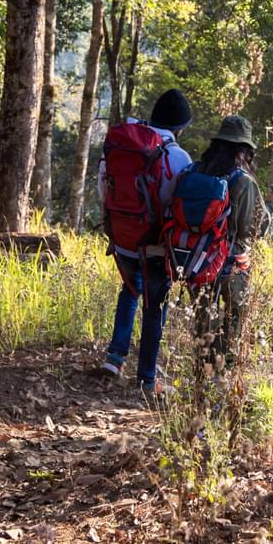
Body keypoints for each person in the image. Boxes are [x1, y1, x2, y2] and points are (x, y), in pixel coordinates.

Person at [95, 89, 193, 396]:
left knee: (130, 290)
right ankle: (147, 379)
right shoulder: (178, 157)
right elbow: (179, 205)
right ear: (180, 127)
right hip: (154, 244)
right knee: (155, 306)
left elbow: (103, 190)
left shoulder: (122, 144)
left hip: (123, 239)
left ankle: (115, 357)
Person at [190, 115, 273, 378]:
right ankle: (223, 376)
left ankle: (203, 374)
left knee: (203, 320)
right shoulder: (242, 180)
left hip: (195, 261)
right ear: (245, 149)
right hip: (231, 265)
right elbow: (253, 230)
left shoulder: (197, 170)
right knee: (233, 321)